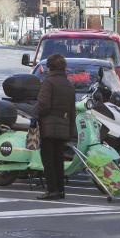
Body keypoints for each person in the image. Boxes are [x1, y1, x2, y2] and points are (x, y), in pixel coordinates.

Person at [35, 53, 76, 200]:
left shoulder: (49, 82)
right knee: (59, 160)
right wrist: (71, 131)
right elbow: (72, 111)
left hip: (49, 128)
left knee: (48, 161)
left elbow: (44, 105)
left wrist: (35, 113)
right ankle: (60, 190)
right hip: (63, 128)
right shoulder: (69, 85)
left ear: (50, 67)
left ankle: (52, 190)